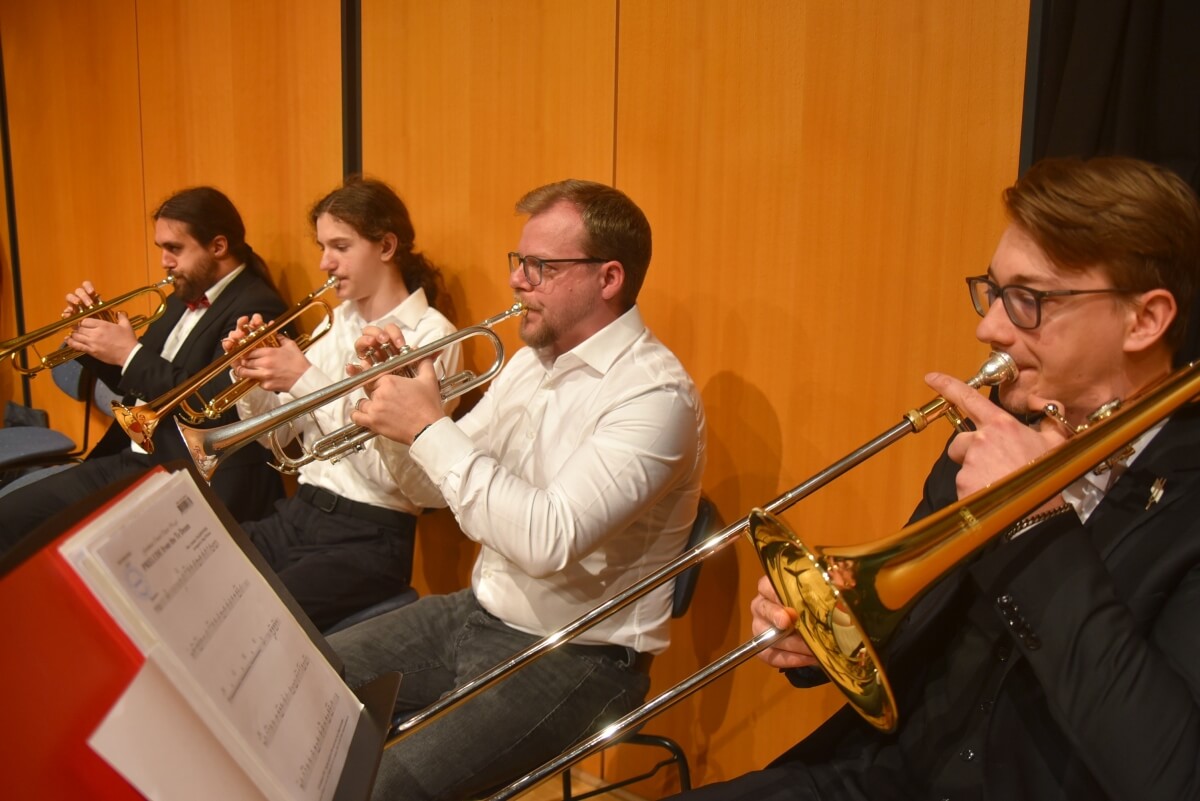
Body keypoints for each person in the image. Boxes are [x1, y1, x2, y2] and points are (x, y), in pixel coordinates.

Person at [670, 155, 1200, 801]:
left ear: (1145, 319)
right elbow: (916, 624)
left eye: (1030, 300)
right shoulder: (990, 433)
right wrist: (830, 635)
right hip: (883, 779)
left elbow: (1168, 772)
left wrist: (1035, 516)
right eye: (995, 291)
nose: (989, 326)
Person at [328, 178, 707, 800]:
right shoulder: (531, 363)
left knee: (384, 789)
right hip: (477, 612)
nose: (517, 281)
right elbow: (429, 489)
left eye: (541, 266)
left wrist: (427, 425)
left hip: (580, 656)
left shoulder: (653, 397)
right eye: (519, 261)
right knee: (305, 679)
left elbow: (547, 539)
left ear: (608, 279)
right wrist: (393, 416)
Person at [226, 176, 460, 632]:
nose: (324, 263)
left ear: (387, 246)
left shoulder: (432, 336)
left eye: (340, 246)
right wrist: (252, 380)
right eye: (321, 246)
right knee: (202, 574)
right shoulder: (334, 323)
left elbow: (392, 476)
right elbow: (277, 441)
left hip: (370, 535)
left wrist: (304, 379)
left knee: (251, 623)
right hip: (300, 512)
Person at [0, 186, 287, 551]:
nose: (165, 261)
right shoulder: (178, 301)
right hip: (136, 455)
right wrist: (94, 342)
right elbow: (136, 389)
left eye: (175, 249)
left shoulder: (258, 308)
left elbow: (213, 405)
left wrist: (127, 353)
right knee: (10, 515)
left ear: (218, 246)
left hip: (191, 475)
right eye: (161, 249)